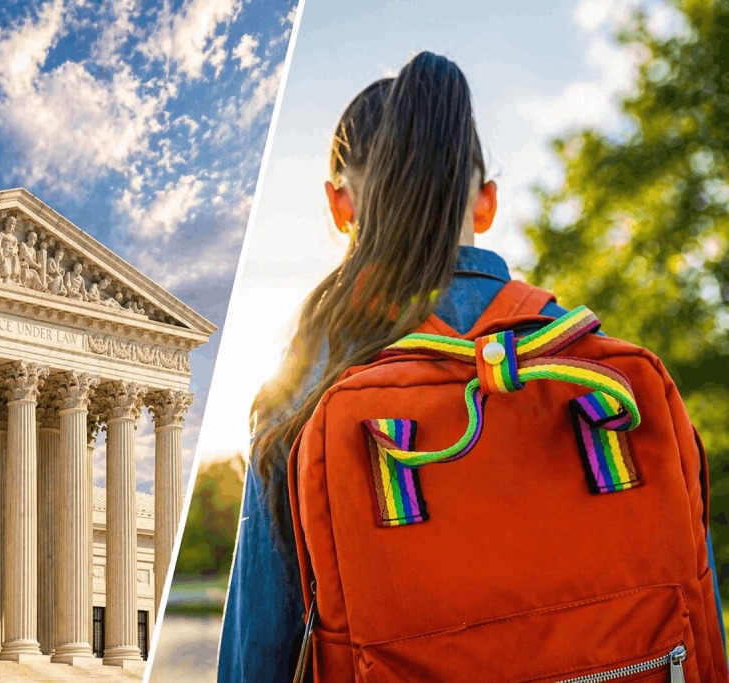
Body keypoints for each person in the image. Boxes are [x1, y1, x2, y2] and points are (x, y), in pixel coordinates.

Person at [216, 52, 724, 681]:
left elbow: (255, 658)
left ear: (340, 206)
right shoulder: (600, 379)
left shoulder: (307, 391)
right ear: (485, 204)